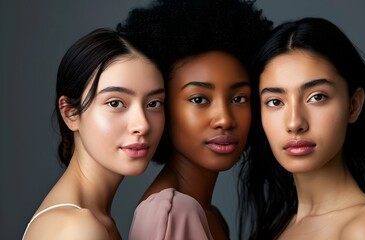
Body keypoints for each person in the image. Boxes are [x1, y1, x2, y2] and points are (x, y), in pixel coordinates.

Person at [239, 17, 365, 240]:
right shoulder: (279, 225)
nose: (295, 123)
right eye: (275, 102)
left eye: (317, 97)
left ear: (353, 105)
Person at [117, 0, 272, 239]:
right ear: (162, 106)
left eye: (239, 98)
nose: (224, 119)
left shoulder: (206, 213)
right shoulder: (173, 214)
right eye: (199, 99)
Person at [22, 28, 165, 240]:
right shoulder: (77, 229)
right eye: (115, 103)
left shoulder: (94, 220)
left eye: (154, 103)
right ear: (70, 114)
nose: (142, 125)